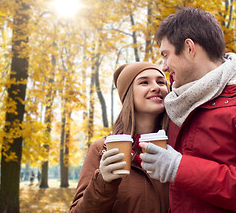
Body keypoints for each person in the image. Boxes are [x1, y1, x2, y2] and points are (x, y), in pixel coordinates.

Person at [139, 6, 236, 213]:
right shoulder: (180, 103)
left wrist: (179, 168)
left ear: (189, 48)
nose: (164, 66)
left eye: (166, 55)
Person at [70, 62, 170, 213]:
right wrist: (103, 182)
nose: (156, 87)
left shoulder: (179, 145)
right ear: (128, 94)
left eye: (161, 82)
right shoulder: (102, 149)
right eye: (144, 82)